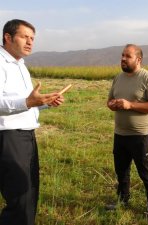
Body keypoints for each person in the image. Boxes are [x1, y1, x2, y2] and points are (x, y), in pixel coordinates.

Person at [0, 19, 64, 225]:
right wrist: (28, 101)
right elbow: (21, 102)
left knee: (30, 191)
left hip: (26, 136)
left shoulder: (21, 65)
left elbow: (26, 103)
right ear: (7, 37)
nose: (30, 42)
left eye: (32, 39)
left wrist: (45, 103)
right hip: (9, 137)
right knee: (20, 197)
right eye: (24, 37)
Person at [106, 44, 148, 222]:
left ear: (138, 60)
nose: (123, 59)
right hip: (120, 134)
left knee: (147, 173)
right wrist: (112, 104)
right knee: (121, 171)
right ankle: (122, 200)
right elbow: (109, 101)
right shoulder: (118, 78)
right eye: (122, 55)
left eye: (127, 56)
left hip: (141, 136)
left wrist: (130, 105)